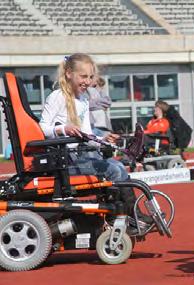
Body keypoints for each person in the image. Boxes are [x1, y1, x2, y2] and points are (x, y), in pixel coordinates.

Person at [39, 53, 150, 230]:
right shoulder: (57, 96)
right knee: (114, 170)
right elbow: (42, 128)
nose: (88, 81)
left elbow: (87, 136)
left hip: (77, 156)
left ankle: (128, 215)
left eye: (91, 77)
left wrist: (103, 140)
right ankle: (130, 216)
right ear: (69, 74)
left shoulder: (83, 100)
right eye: (83, 76)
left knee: (118, 166)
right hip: (63, 161)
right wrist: (62, 129)